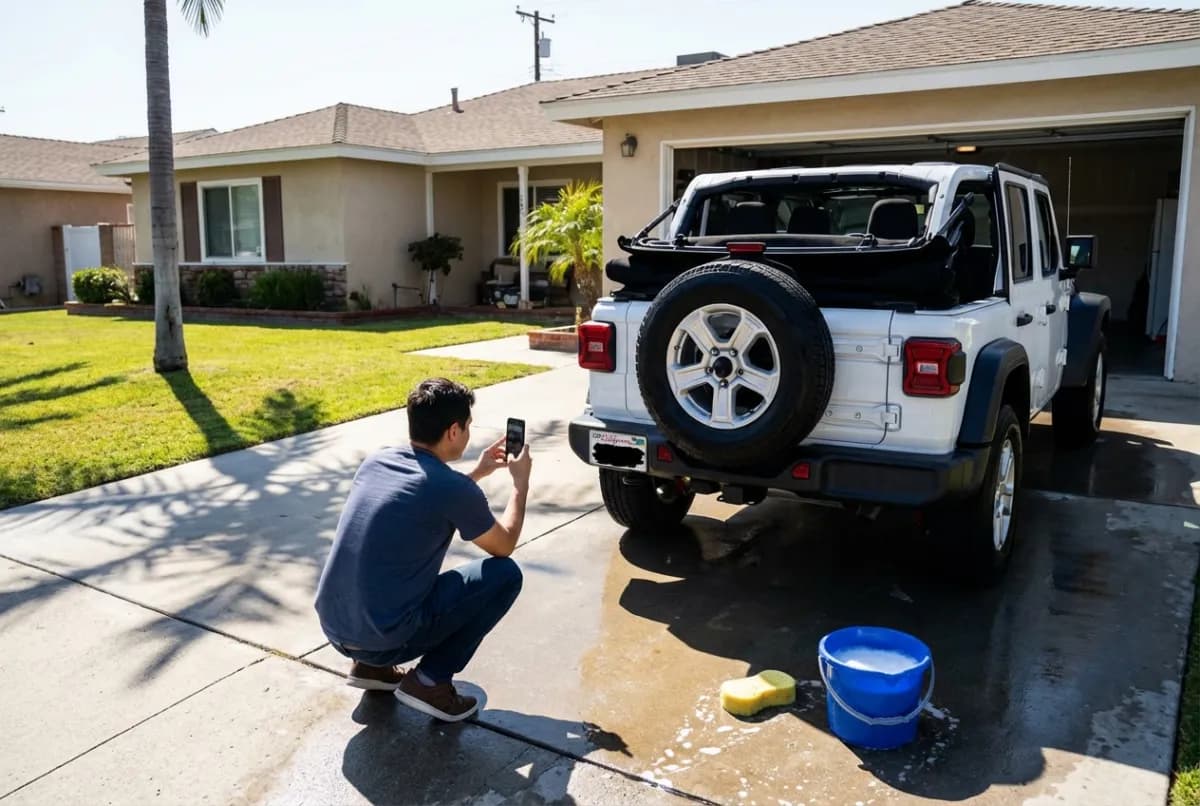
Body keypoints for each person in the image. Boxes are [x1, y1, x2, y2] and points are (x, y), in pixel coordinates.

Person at [314, 377, 531, 722]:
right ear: (454, 431)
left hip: (336, 629)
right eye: (468, 427)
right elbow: (503, 545)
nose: (470, 434)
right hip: (384, 637)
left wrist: (478, 472)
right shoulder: (452, 489)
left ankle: (371, 669)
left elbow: (428, 495)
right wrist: (520, 484)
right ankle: (429, 682)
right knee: (505, 576)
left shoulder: (378, 461)